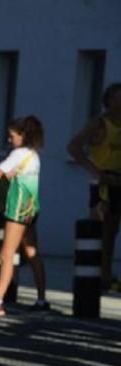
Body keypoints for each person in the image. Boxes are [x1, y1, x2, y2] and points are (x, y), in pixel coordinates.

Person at [0, 116, 48, 316]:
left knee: (6, 254)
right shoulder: (34, 155)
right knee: (32, 252)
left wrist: (8, 174)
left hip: (17, 207)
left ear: (22, 136)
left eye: (12, 136)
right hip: (32, 206)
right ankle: (41, 299)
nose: (9, 140)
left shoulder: (18, 153)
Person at [68, 82, 121, 292]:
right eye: (119, 98)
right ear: (109, 101)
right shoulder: (99, 123)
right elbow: (73, 147)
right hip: (104, 183)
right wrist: (96, 172)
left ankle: (105, 275)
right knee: (102, 230)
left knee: (113, 230)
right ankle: (96, 275)